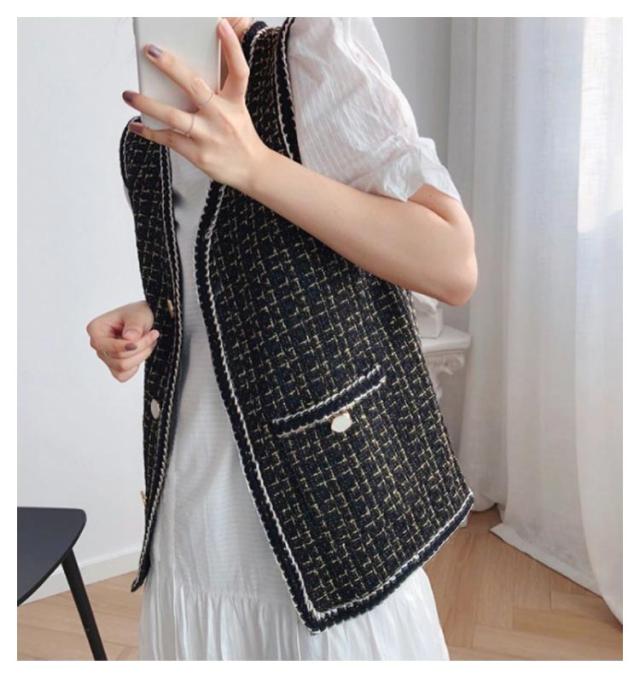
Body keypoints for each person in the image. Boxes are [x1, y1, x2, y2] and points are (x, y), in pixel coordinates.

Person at [86, 17, 477, 660]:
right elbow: (239, 265)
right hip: (192, 503)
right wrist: (151, 313)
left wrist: (255, 165)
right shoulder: (148, 123)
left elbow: (451, 263)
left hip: (326, 498)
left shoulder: (310, 54)